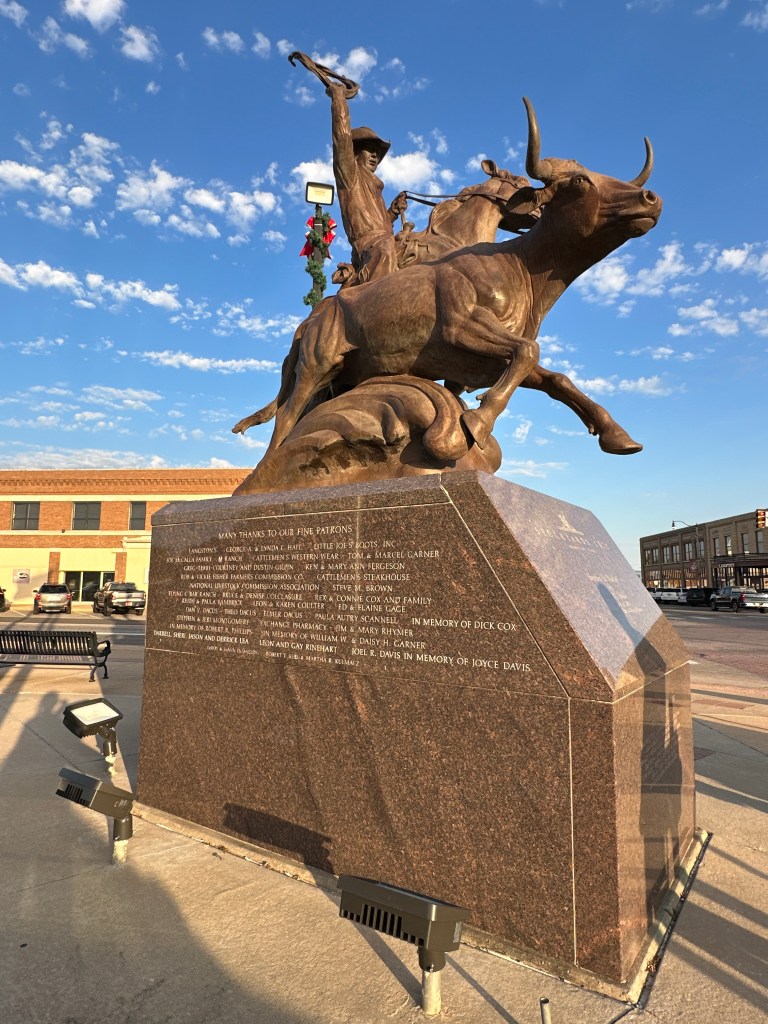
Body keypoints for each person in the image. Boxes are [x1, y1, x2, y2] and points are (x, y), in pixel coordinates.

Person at [327, 82, 407, 285]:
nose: (375, 156)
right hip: (370, 247)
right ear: (354, 154)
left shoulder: (375, 187)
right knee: (386, 252)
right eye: (369, 150)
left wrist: (393, 212)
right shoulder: (350, 175)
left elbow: (379, 224)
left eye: (378, 153)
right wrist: (339, 98)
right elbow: (342, 137)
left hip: (383, 241)